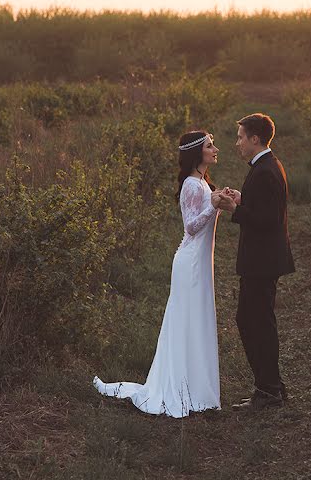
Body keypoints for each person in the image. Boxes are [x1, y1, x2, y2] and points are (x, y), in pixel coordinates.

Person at [92, 131, 223, 418]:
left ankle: (197, 387)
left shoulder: (202, 183)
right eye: (209, 146)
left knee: (197, 322)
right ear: (196, 154)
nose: (216, 149)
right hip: (189, 264)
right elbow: (190, 227)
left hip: (200, 263)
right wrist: (213, 205)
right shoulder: (191, 185)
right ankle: (180, 388)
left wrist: (222, 200)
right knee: (186, 322)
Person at [214, 113, 295, 411]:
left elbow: (268, 220)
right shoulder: (265, 166)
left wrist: (235, 207)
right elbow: (263, 207)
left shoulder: (265, 170)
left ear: (255, 139)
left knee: (254, 322)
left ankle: (268, 390)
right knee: (256, 321)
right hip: (264, 260)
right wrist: (243, 197)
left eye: (240, 137)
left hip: (261, 262)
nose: (237, 143)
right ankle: (271, 387)